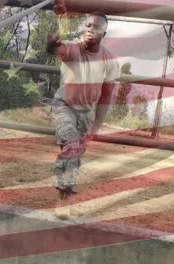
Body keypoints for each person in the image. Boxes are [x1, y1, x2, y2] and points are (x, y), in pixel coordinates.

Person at [46, 12, 119, 200]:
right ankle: (65, 183)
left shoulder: (110, 61)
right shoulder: (71, 50)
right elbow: (56, 50)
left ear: (104, 33)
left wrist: (96, 126)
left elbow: (106, 96)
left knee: (76, 155)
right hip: (64, 106)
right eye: (87, 25)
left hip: (87, 112)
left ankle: (63, 204)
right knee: (71, 144)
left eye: (95, 27)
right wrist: (52, 43)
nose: (89, 30)